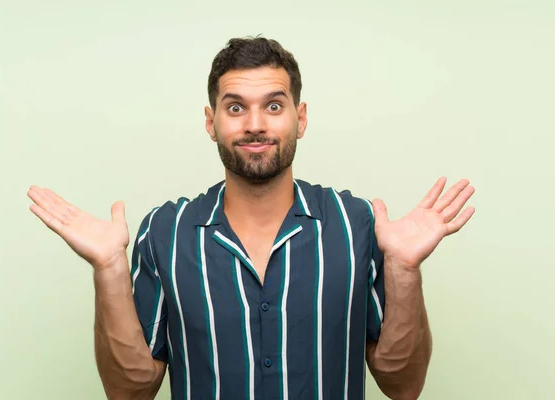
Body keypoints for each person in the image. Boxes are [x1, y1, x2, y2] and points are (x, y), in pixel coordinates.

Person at [27, 36, 475, 400]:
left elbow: (404, 385)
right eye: (236, 107)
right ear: (211, 121)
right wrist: (108, 270)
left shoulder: (353, 223)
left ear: (300, 119)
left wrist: (403, 268)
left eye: (274, 106)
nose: (254, 124)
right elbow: (129, 391)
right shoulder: (166, 231)